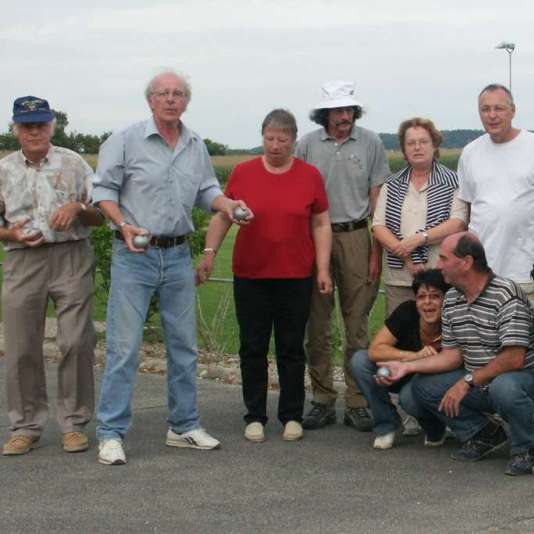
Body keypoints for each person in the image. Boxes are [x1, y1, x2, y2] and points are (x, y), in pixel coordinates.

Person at [92, 70, 248, 465]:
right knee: (124, 348)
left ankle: (183, 426)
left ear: (187, 101)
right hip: (135, 255)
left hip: (178, 254)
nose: (171, 100)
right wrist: (124, 225)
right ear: (150, 100)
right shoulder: (125, 140)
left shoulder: (195, 144)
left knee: (184, 347)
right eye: (163, 93)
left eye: (178, 94)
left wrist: (226, 205)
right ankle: (110, 433)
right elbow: (103, 192)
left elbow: (206, 190)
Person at [197, 109, 332, 444]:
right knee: (253, 347)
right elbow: (223, 216)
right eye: (270, 138)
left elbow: (321, 223)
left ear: (293, 141)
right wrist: (210, 254)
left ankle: (291, 416)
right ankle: (255, 415)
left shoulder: (309, 175)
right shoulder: (243, 173)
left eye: (282, 140)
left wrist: (324, 268)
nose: (275, 146)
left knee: (290, 348)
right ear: (263, 138)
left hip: (295, 274)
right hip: (252, 274)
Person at [380, 233, 534, 476]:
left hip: (525, 380)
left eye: (443, 258)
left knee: (504, 387)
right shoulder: (452, 299)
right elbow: (452, 355)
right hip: (482, 381)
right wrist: (407, 367)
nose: (438, 265)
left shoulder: (506, 294)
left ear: (467, 262)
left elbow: (514, 358)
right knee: (421, 387)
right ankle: (484, 433)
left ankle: (526, 449)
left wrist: (467, 381)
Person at [0, 96, 105, 456]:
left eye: (41, 124)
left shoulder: (74, 163)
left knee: (76, 341)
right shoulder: (4, 169)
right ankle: (25, 426)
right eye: (27, 125)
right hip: (22, 260)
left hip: (71, 256)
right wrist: (11, 234)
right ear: (15, 129)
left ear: (52, 127)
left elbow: (100, 213)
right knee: (19, 346)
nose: (34, 131)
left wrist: (77, 207)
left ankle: (74, 424)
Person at [457, 83, 534, 447]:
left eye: (499, 108)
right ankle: (495, 428)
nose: (493, 115)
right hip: (484, 277)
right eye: (485, 109)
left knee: (525, 359)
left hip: (527, 273)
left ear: (513, 110)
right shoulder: (470, 153)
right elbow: (467, 210)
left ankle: (531, 427)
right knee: (486, 353)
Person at [295, 80, 390, 432]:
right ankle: (321, 399)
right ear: (325, 114)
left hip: (356, 236)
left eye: (349, 110)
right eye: (337, 110)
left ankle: (357, 400)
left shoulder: (371, 143)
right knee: (316, 325)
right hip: (315, 237)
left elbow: (377, 198)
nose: (344, 117)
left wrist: (375, 251)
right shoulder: (306, 144)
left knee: (357, 324)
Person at [372, 118, 466, 315]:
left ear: (434, 145)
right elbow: (378, 226)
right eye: (411, 143)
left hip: (440, 275)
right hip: (400, 276)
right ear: (404, 150)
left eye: (423, 142)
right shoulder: (391, 184)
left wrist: (419, 239)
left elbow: (458, 224)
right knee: (400, 333)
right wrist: (407, 256)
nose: (417, 147)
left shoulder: (453, 182)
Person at [351, 269, 450, 449]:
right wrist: (414, 356)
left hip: (432, 379)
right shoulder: (407, 311)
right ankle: (386, 424)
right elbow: (375, 350)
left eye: (435, 296)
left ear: (446, 299)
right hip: (399, 370)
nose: (427, 303)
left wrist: (421, 364)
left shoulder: (453, 318)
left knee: (409, 397)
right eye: (421, 297)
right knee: (360, 360)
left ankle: (435, 426)